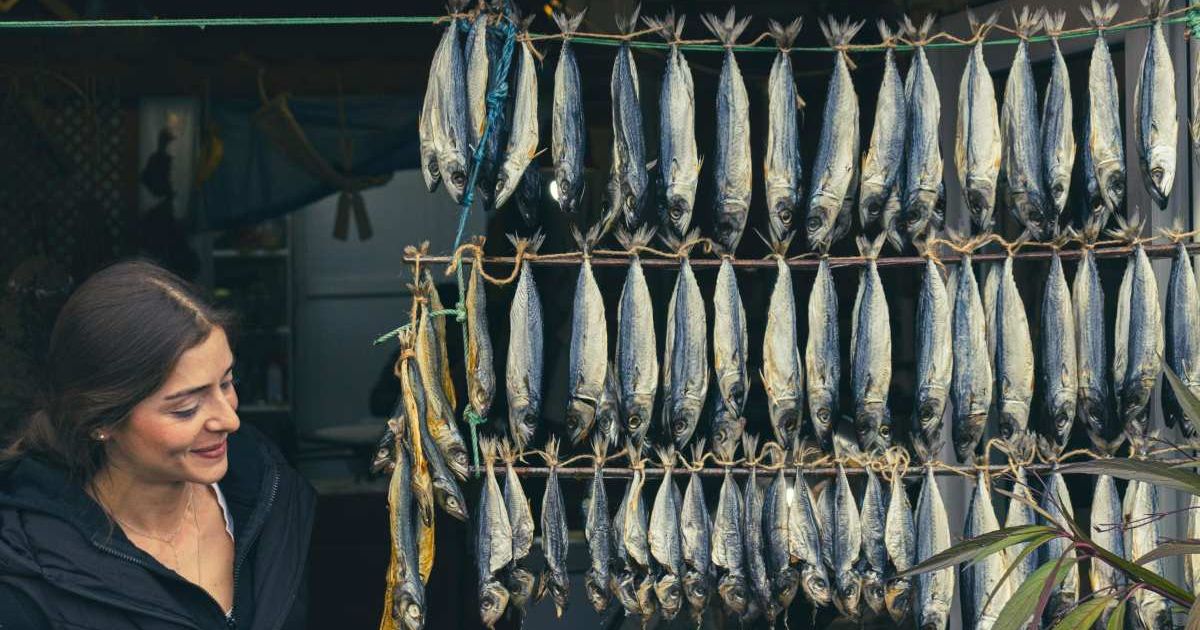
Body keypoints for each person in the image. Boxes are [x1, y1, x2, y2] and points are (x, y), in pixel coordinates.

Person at [0, 260, 315, 629]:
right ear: (101, 421)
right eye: (185, 409)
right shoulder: (31, 573)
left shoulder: (270, 496)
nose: (230, 420)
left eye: (227, 383)